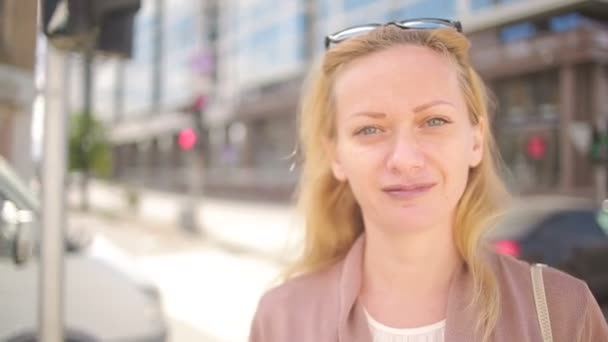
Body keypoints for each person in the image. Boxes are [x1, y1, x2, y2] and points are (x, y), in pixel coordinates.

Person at [249, 18, 608, 342]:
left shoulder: (562, 314)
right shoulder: (280, 320)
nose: (405, 159)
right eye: (369, 129)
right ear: (335, 156)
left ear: (475, 140)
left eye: (434, 121)